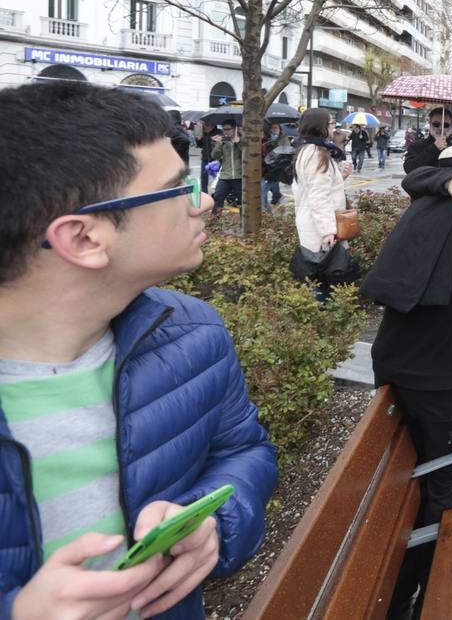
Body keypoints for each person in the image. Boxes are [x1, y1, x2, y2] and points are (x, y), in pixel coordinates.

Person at [0, 81, 277, 619]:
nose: (204, 203)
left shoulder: (191, 334)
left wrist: (213, 525)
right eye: (179, 188)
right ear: (83, 238)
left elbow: (243, 453)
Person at [365, 125, 452, 619]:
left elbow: (417, 175)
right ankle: (426, 596)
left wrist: (438, 178)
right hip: (445, 378)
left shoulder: (439, 193)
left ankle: (416, 592)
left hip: (401, 364)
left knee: (446, 483)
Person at [291, 109, 348, 299]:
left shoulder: (307, 150)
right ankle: (324, 321)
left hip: (311, 223)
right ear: (320, 126)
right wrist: (328, 231)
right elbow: (319, 196)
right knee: (325, 278)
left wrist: (341, 177)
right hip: (320, 228)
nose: (334, 127)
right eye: (331, 123)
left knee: (318, 279)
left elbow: (312, 189)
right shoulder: (317, 154)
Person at [402, 107, 452, 174]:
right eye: (436, 124)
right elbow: (409, 169)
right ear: (429, 124)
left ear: (451, 125)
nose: (441, 128)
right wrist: (434, 148)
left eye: (445, 125)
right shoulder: (417, 146)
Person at [209, 120, 243, 216]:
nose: (226, 132)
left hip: (239, 176)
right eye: (224, 129)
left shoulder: (242, 140)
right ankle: (215, 222)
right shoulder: (223, 142)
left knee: (242, 200)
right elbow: (214, 156)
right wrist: (218, 144)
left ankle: (243, 223)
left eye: (228, 129)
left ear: (235, 129)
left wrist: (238, 143)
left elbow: (245, 155)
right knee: (218, 197)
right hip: (225, 176)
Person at [260, 122, 288, 212]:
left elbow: (286, 151)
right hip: (266, 168)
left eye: (276, 128)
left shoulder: (283, 138)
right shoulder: (266, 139)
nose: (274, 130)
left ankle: (263, 211)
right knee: (270, 187)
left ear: (280, 129)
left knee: (262, 191)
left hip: (276, 168)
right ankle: (275, 200)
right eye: (272, 128)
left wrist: (275, 143)